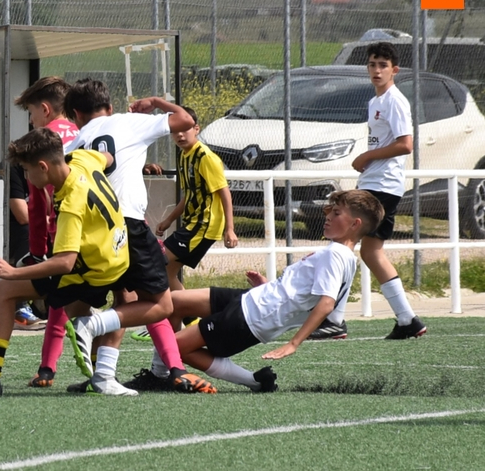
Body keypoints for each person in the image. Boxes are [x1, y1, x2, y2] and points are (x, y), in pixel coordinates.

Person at [0, 128, 128, 397]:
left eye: (28, 171)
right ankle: (102, 375)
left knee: (3, 289)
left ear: (43, 166)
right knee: (96, 307)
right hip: (116, 253)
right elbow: (108, 157)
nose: (27, 177)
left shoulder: (72, 203)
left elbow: (65, 263)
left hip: (88, 270)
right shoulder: (82, 160)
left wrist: (13, 272)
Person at [61, 78, 215, 395]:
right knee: (161, 305)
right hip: (126, 222)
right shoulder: (128, 122)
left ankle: (103, 376)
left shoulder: (74, 142)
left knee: (125, 299)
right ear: (109, 106)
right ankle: (92, 325)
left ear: (76, 114)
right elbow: (185, 120)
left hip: (89, 230)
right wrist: (157, 102)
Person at [170, 189, 384, 392]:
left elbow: (326, 304)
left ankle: (255, 381)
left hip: (254, 316)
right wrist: (266, 286)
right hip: (254, 299)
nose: (328, 215)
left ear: (355, 224)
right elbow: (302, 295)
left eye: (337, 213)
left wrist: (293, 343)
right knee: (174, 302)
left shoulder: (335, 254)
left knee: (174, 348)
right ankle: (160, 372)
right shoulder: (344, 256)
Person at [309, 41, 428, 341]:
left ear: (394, 70)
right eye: (373, 64)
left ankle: (335, 320)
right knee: (370, 251)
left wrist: (366, 157)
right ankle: (407, 320)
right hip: (375, 183)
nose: (377, 70)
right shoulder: (376, 101)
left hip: (383, 185)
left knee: (347, 244)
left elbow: (406, 144)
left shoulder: (394, 100)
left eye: (383, 65)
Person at [122, 107, 239, 389]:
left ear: (197, 129)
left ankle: (183, 315)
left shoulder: (206, 157)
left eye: (185, 129)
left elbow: (223, 191)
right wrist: (168, 219)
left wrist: (230, 228)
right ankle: (181, 314)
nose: (180, 135)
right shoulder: (185, 156)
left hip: (204, 226)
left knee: (161, 266)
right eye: (175, 132)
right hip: (190, 225)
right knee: (167, 271)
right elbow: (189, 195)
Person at [13, 76, 79, 385]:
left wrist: (38, 250)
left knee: (54, 301)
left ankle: (45, 369)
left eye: (30, 113)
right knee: (133, 300)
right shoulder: (84, 132)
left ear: (44, 109)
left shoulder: (42, 142)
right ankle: (170, 365)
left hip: (63, 234)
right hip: (103, 230)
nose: (30, 120)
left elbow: (39, 203)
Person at [6, 163, 43, 330]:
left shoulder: (61, 167)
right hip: (9, 232)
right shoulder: (14, 169)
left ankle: (75, 300)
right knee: (28, 230)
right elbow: (22, 215)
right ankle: (19, 305)